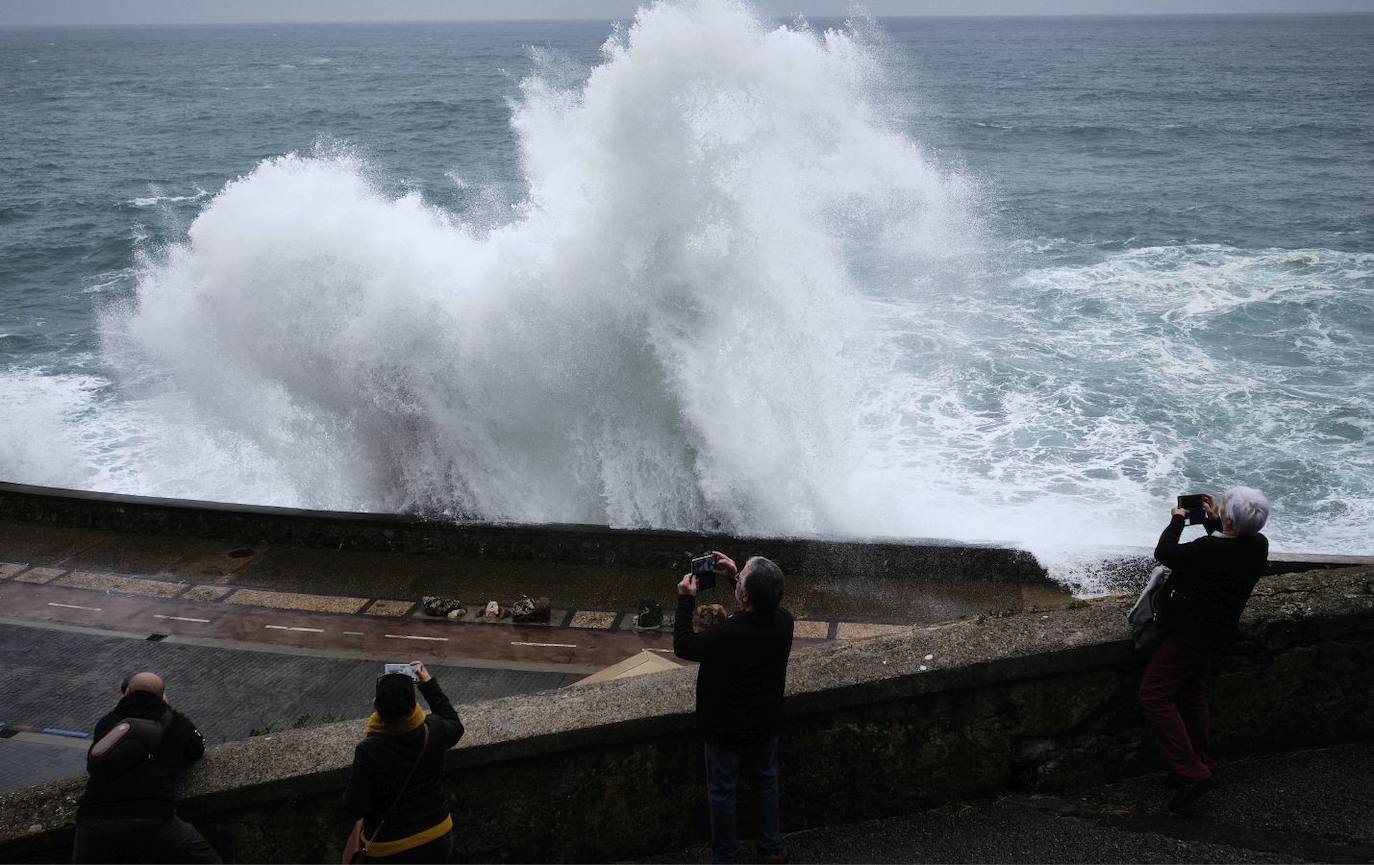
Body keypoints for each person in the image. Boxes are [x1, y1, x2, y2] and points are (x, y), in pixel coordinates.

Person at [1140, 486, 1270, 813]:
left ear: (1229, 519)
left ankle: (1193, 773)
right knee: (1192, 691)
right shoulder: (1258, 545)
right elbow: (1227, 553)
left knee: (1153, 695)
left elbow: (1165, 552)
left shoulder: (1204, 550)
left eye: (1225, 508)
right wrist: (1216, 525)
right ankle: (1202, 760)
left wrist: (1177, 521)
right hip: (1218, 633)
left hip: (1189, 635)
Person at [674, 552, 795, 865]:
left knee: (723, 792)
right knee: (766, 781)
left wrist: (686, 599)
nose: (737, 578)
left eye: (740, 579)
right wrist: (733, 576)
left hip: (724, 728)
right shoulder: (784, 622)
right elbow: (758, 609)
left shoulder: (725, 636)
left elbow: (684, 646)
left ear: (743, 595)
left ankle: (726, 858)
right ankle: (770, 848)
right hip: (765, 722)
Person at [73, 672, 219, 863]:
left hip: (93, 820)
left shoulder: (107, 723)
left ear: (127, 692)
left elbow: (95, 764)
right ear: (162, 695)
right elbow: (197, 748)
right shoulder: (176, 723)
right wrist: (168, 710)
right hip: (152, 816)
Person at [342, 662, 465, 863]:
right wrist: (428, 684)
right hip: (438, 834)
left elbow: (354, 807)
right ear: (413, 705)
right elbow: (455, 724)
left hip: (390, 849)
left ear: (376, 706)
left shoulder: (368, 750)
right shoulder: (432, 730)